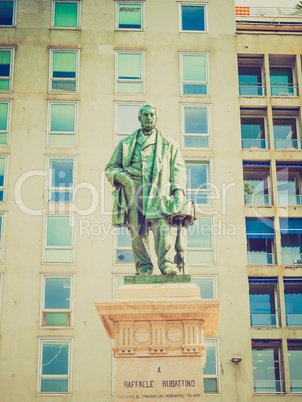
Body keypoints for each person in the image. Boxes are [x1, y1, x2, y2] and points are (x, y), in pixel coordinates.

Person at [105, 104, 187, 275]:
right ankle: (143, 267)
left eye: (152, 115)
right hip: (133, 189)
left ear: (156, 118)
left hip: (159, 190)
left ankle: (167, 264)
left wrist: (178, 191)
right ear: (139, 118)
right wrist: (123, 178)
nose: (149, 117)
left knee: (162, 227)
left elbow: (177, 170)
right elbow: (111, 168)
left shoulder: (169, 144)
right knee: (137, 230)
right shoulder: (126, 144)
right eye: (145, 115)